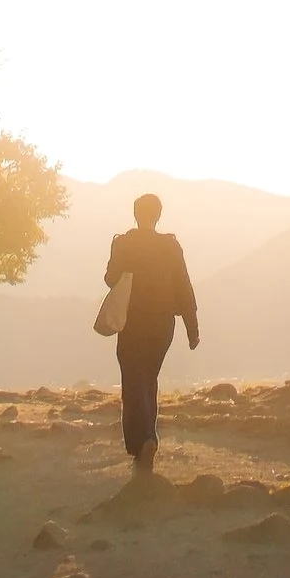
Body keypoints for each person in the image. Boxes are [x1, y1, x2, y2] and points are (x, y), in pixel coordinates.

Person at [102, 190, 198, 474]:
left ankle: (143, 441)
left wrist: (116, 256)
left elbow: (110, 279)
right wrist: (192, 328)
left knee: (134, 380)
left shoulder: (123, 243)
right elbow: (184, 284)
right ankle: (147, 440)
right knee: (148, 379)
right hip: (163, 324)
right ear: (158, 216)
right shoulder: (170, 246)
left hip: (132, 321)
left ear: (135, 215)